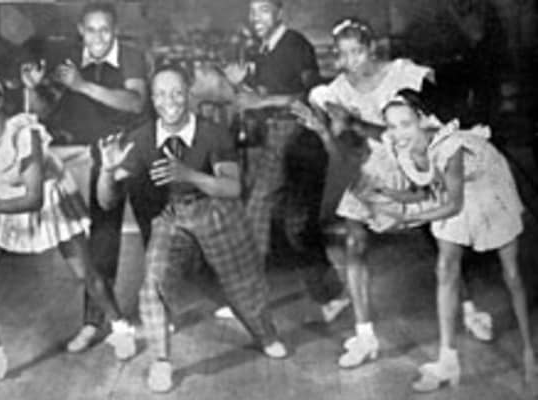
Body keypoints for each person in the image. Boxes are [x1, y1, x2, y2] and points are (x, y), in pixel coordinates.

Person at [0, 70, 136, 391]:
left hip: (45, 195)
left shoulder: (24, 134)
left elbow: (33, 198)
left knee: (85, 273)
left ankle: (121, 327)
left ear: (0, 103)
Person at [303, 18, 490, 367]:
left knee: (441, 241)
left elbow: (429, 104)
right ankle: (365, 336)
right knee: (354, 243)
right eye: (343, 54)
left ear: (371, 49)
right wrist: (330, 124)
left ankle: (469, 309)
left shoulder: (400, 73)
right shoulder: (338, 89)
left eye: (357, 51)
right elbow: (339, 131)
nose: (351, 60)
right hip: (372, 170)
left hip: (413, 165)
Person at [97, 66, 288, 393]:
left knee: (243, 286)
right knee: (153, 282)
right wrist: (107, 170)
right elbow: (106, 202)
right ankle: (161, 361)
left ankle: (265, 335)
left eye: (176, 93)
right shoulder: (141, 138)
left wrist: (188, 175)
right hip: (172, 215)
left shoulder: (213, 132)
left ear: (189, 94)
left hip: (216, 210)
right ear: (152, 99)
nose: (169, 101)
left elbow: (232, 188)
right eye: (161, 94)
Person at [379, 89, 535, 392]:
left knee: (512, 274)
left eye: (405, 124)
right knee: (445, 269)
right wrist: (386, 197)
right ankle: (448, 361)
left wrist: (404, 219)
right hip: (455, 190)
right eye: (392, 126)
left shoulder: (451, 147)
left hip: (489, 185)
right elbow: (425, 189)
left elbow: (453, 205)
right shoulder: (399, 145)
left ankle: (530, 354)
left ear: (422, 120)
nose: (398, 133)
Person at [21, 1, 154, 352]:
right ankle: (94, 323)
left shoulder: (130, 56)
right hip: (103, 155)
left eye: (105, 30)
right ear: (81, 30)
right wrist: (34, 89)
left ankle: (160, 311)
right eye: (91, 30)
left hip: (140, 148)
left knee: (156, 232)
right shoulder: (69, 59)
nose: (98, 37)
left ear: (115, 30)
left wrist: (82, 86)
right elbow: (46, 111)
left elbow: (135, 102)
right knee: (102, 240)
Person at [220, 0, 345, 323]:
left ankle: (250, 296)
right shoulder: (263, 51)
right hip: (277, 137)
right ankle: (331, 295)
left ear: (280, 12)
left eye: (263, 10)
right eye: (252, 11)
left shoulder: (296, 45)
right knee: (289, 225)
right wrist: (239, 85)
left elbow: (314, 95)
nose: (256, 18)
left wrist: (262, 100)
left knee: (267, 216)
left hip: (300, 139)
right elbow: (259, 100)